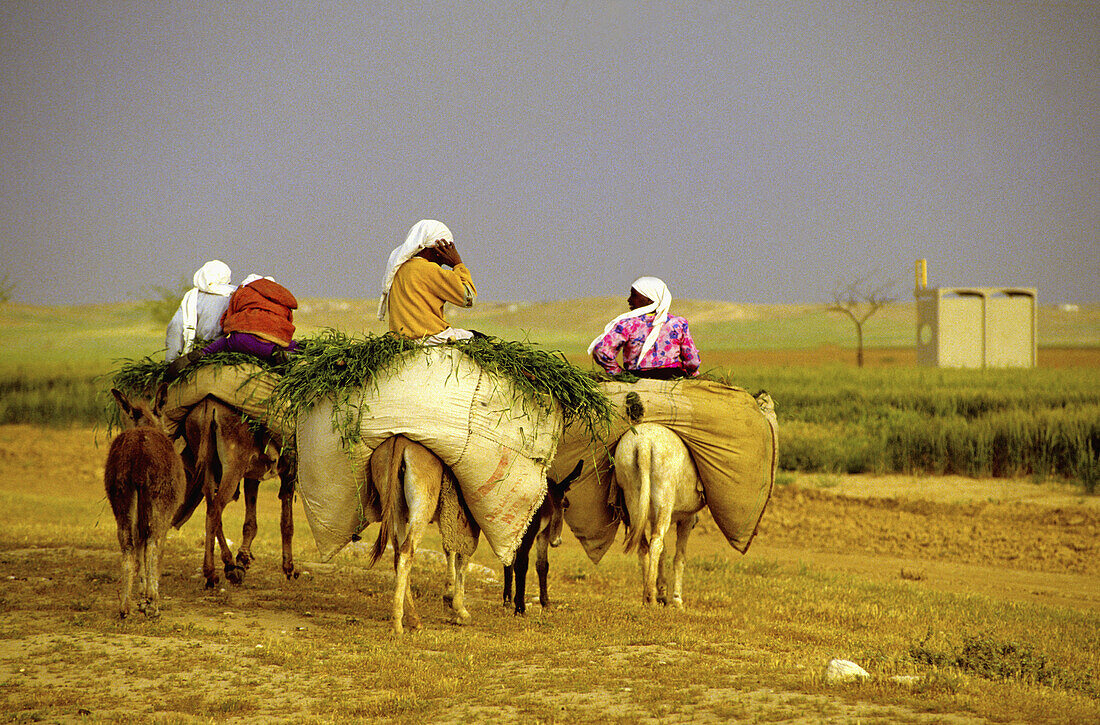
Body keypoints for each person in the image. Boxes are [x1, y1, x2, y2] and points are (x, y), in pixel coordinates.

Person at [164, 274, 299, 380]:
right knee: (293, 346)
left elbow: (229, 317)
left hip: (242, 340)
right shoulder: (282, 300)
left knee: (225, 343)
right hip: (273, 346)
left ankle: (201, 354)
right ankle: (286, 353)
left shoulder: (241, 292)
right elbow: (288, 322)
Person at [378, 219, 477, 344]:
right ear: (435, 249)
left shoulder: (399, 268)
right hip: (430, 338)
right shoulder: (429, 270)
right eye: (447, 248)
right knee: (479, 338)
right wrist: (457, 263)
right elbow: (468, 298)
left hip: (402, 340)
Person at [589, 277, 701, 379]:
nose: (629, 300)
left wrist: (618, 373)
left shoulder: (627, 324)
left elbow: (601, 351)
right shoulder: (678, 324)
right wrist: (690, 374)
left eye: (634, 295)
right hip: (672, 377)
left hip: (637, 378)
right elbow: (693, 361)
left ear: (650, 299)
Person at [165, 260, 236, 362]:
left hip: (196, 354)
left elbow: (176, 326)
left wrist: (171, 361)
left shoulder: (192, 297)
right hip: (227, 353)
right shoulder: (236, 295)